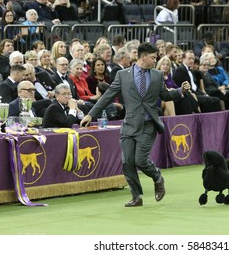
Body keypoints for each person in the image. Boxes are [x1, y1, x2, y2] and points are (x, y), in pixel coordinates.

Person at [80, 43, 191, 207]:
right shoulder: (122, 75)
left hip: (148, 124)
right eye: (153, 57)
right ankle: (136, 196)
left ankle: (157, 177)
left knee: (140, 160)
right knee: (127, 162)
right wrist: (90, 114)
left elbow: (166, 95)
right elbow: (108, 96)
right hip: (129, 124)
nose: (155, 61)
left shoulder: (157, 75)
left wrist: (181, 91)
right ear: (143, 56)